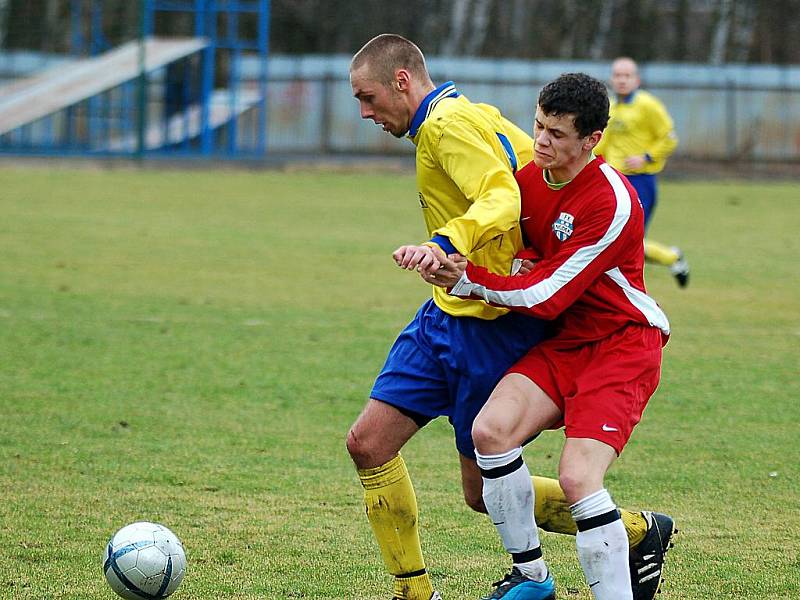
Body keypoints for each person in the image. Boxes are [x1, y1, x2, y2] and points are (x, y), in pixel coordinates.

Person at [347, 34, 672, 600]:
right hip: (460, 315)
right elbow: (517, 184)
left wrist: (451, 248)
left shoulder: (605, 197)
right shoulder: (487, 126)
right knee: (379, 442)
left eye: (367, 97)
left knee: (510, 487)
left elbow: (512, 221)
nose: (541, 142)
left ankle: (634, 532)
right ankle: (460, 586)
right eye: (540, 128)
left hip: (543, 329)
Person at [593, 56, 690, 287]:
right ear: (611, 79)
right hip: (614, 181)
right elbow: (603, 144)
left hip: (640, 182)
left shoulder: (648, 105)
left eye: (627, 76)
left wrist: (646, 157)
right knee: (617, 238)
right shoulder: (612, 108)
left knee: (628, 239)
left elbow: (669, 138)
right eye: (617, 75)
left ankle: (672, 258)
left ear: (636, 79)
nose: (622, 80)